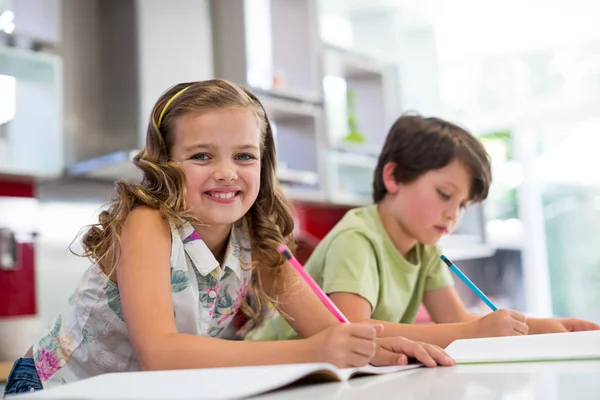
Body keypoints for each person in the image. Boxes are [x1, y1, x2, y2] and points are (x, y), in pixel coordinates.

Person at [3, 82, 454, 397]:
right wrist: (313, 352)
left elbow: (331, 330)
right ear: (166, 163)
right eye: (201, 155)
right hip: (55, 388)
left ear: (263, 164)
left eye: (244, 156)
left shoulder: (257, 240)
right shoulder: (148, 224)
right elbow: (159, 352)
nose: (226, 172)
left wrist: (389, 349)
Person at [249, 114, 600, 347]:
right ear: (393, 177)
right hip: (278, 373)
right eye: (445, 195)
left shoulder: (425, 247)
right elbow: (354, 328)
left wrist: (549, 328)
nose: (453, 215)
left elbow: (458, 320)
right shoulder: (357, 238)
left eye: (462, 205)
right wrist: (471, 331)